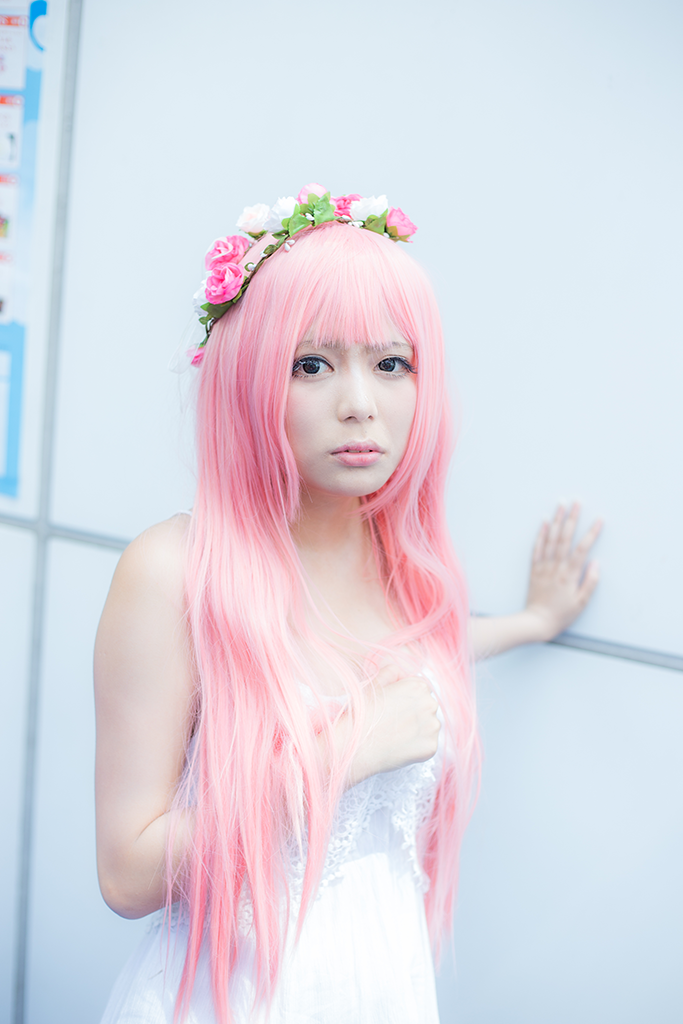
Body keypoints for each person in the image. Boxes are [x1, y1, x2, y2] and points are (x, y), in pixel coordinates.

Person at [94, 185, 602, 1024]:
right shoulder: (173, 570)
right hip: (235, 999)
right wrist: (343, 753)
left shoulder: (397, 560)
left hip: (385, 990)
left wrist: (531, 623)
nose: (360, 402)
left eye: (390, 363)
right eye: (311, 364)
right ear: (247, 379)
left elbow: (416, 649)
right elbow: (126, 875)